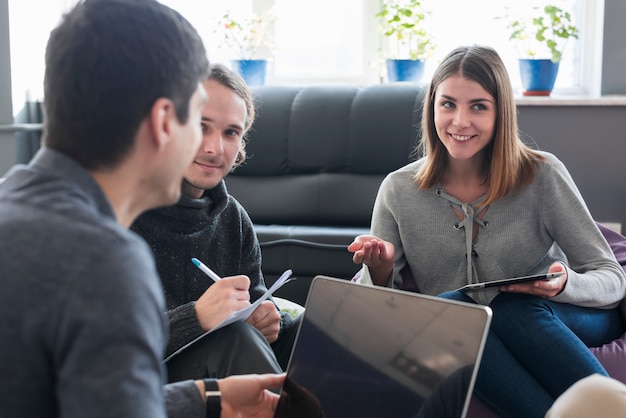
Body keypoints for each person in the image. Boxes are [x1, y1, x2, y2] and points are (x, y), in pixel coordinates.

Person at [0, 0, 283, 417]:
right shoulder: (104, 259)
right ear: (164, 121)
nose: (208, 147)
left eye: (229, 133)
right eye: (195, 121)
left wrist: (203, 399)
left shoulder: (15, 208)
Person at [348, 45, 626, 418]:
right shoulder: (399, 189)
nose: (460, 121)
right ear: (432, 108)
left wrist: (566, 285)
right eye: (447, 104)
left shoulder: (541, 175)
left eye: (478, 106)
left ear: (500, 113)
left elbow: (611, 279)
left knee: (509, 308)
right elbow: (386, 316)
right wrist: (379, 270)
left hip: (558, 315)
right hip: (462, 328)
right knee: (453, 310)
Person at [131, 63, 301, 380]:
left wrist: (267, 317)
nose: (214, 148)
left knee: (307, 331)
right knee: (236, 342)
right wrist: (195, 318)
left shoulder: (232, 217)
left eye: (230, 132)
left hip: (225, 363)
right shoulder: (120, 213)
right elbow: (106, 346)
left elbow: (256, 298)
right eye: (201, 126)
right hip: (142, 380)